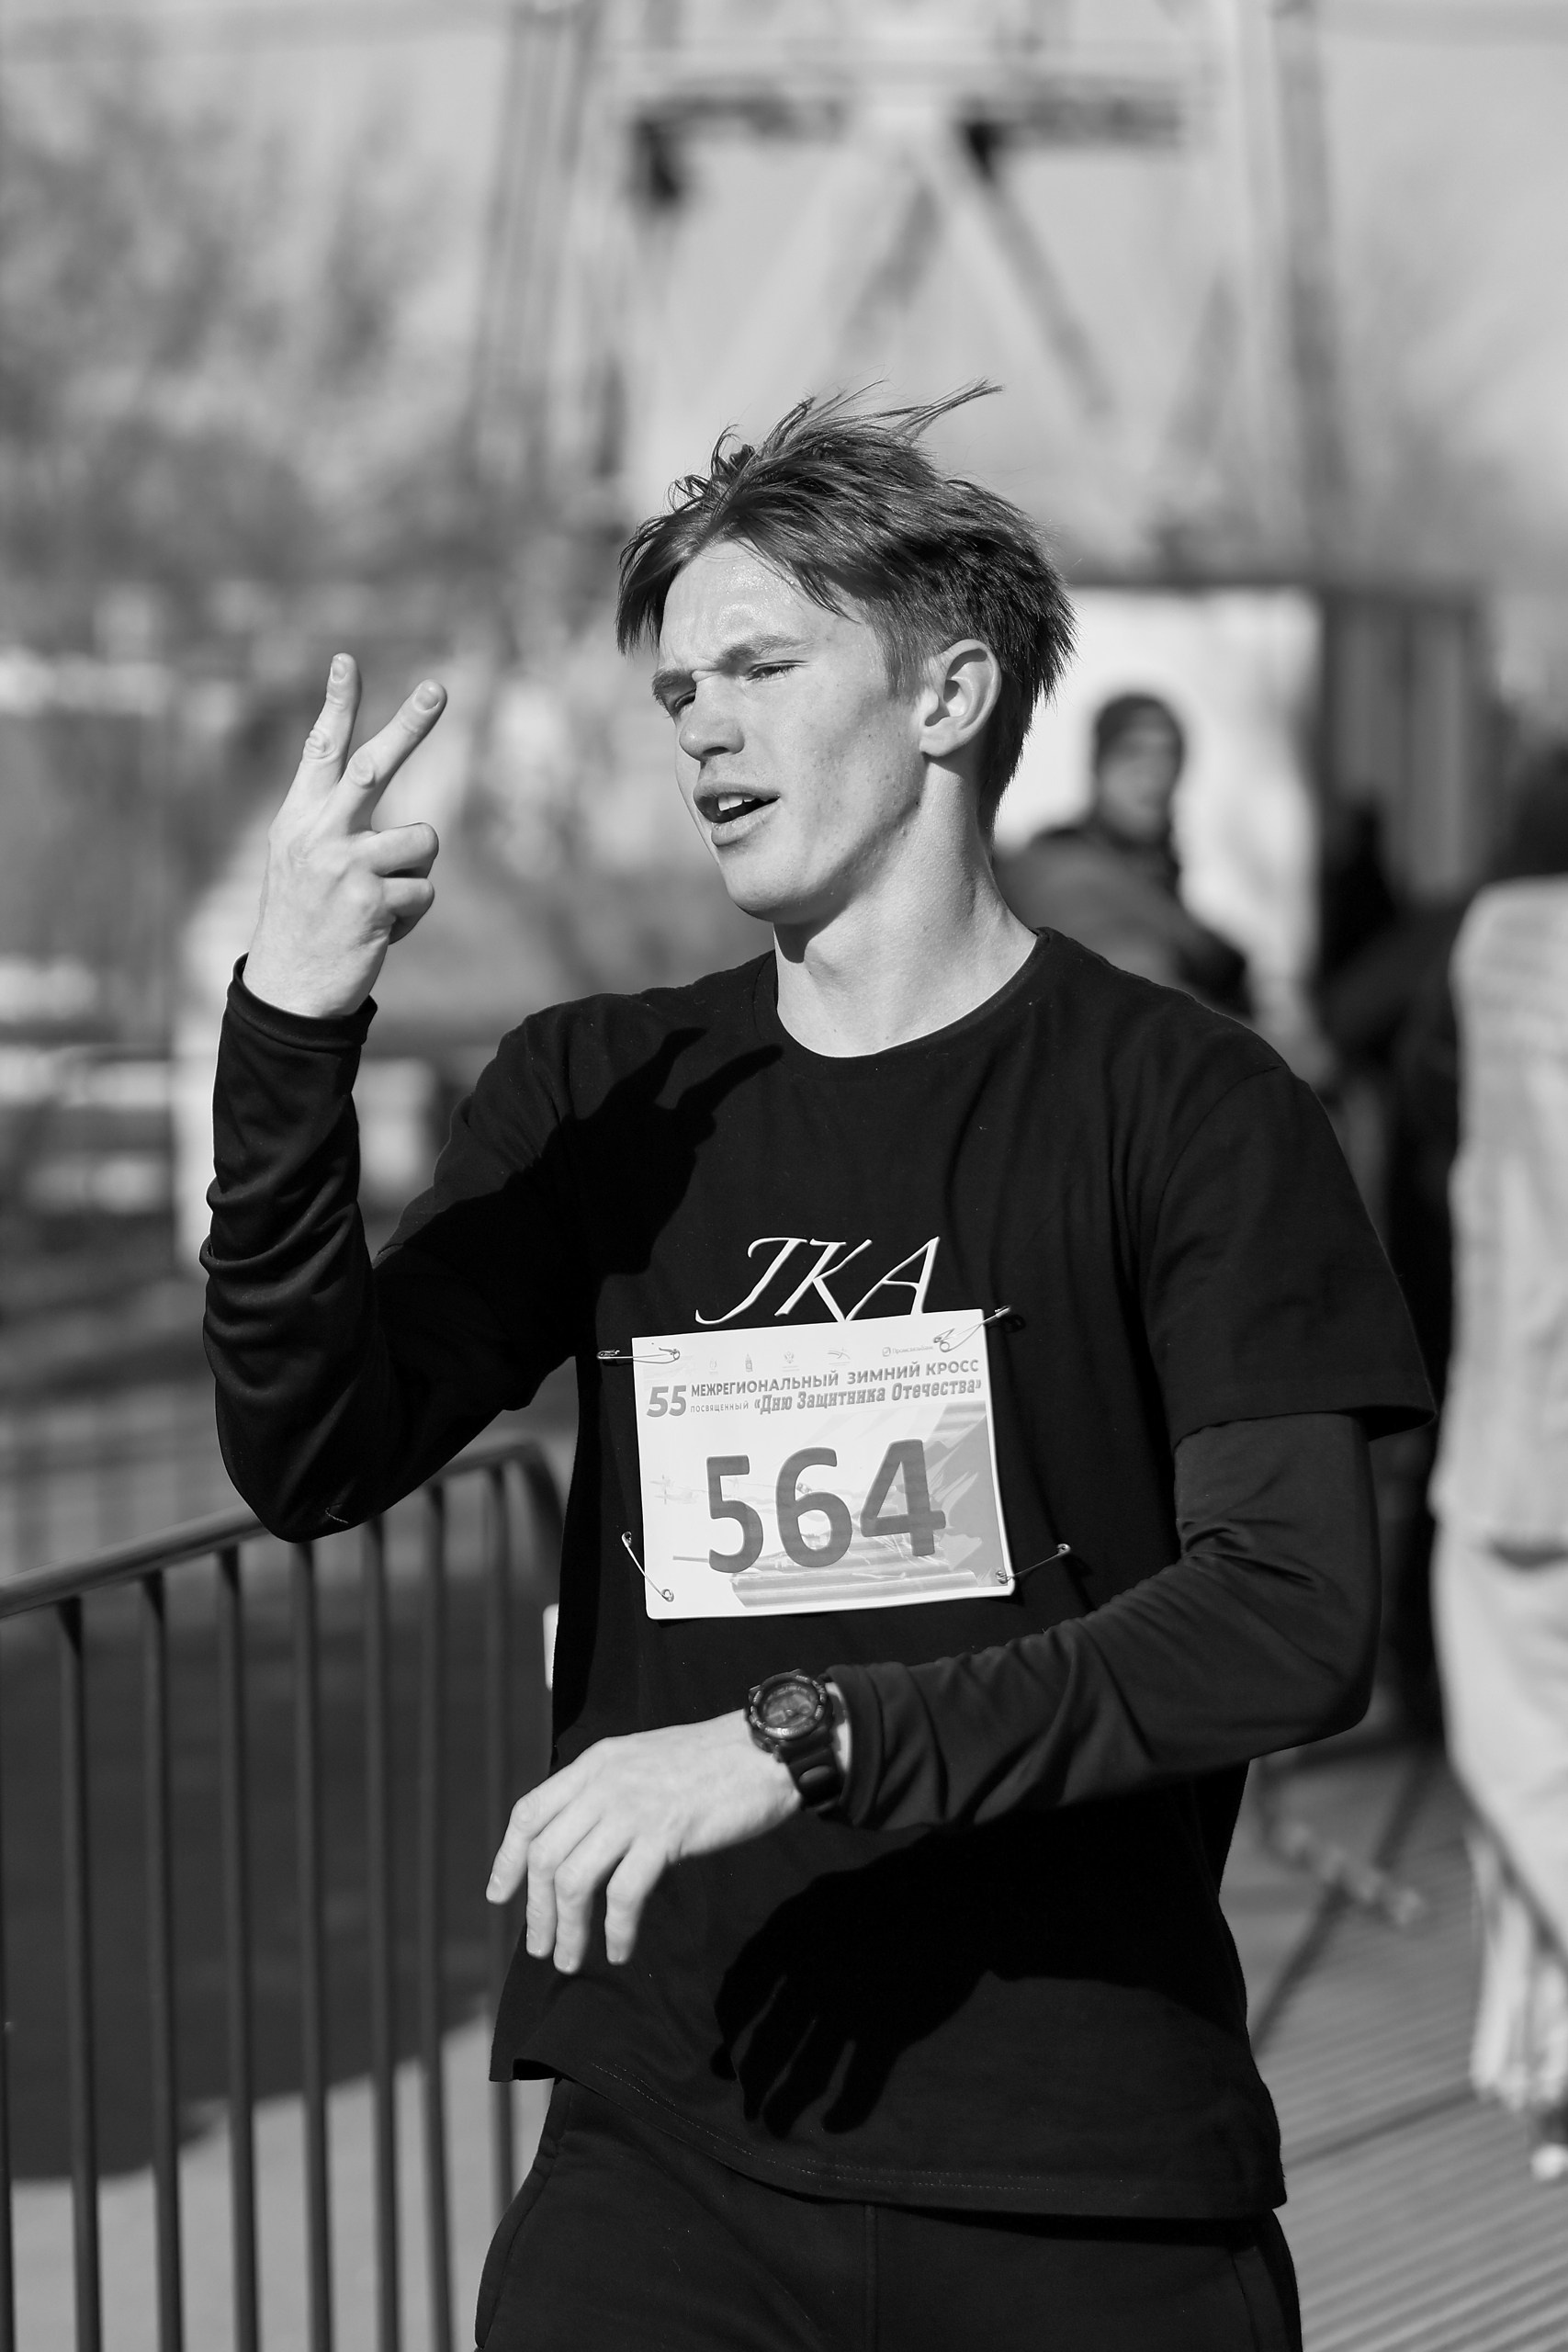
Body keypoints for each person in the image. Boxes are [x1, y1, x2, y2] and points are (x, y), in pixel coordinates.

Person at [203, 391, 1431, 2352]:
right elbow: (309, 1447)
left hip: (1080, 2165)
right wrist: (288, 1026)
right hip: (665, 2160)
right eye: (679, 687)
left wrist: (789, 1738)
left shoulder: (1187, 1103)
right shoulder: (604, 1090)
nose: (700, 724)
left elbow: (1287, 1618)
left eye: (762, 668)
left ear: (948, 695)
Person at [1429, 750, 1568, 2184]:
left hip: (1516, 1432)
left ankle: (1544, 2065)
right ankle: (1545, 2069)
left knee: (1515, 1751)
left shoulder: (1501, 939)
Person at [996, 689, 1250, 1014]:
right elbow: (1141, 999)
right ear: (1099, 765)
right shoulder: (1064, 874)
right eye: (1133, 753)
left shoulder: (1152, 872)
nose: (1154, 772)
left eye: (1169, 754)